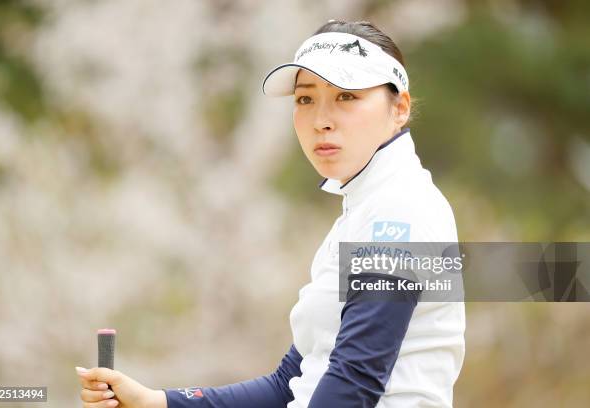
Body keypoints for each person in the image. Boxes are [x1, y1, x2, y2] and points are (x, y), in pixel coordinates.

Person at [76, 19, 465, 408]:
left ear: (399, 107)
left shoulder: (399, 212)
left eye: (346, 96)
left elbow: (355, 382)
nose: (321, 120)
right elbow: (288, 384)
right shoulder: (365, 209)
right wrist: (157, 402)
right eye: (305, 99)